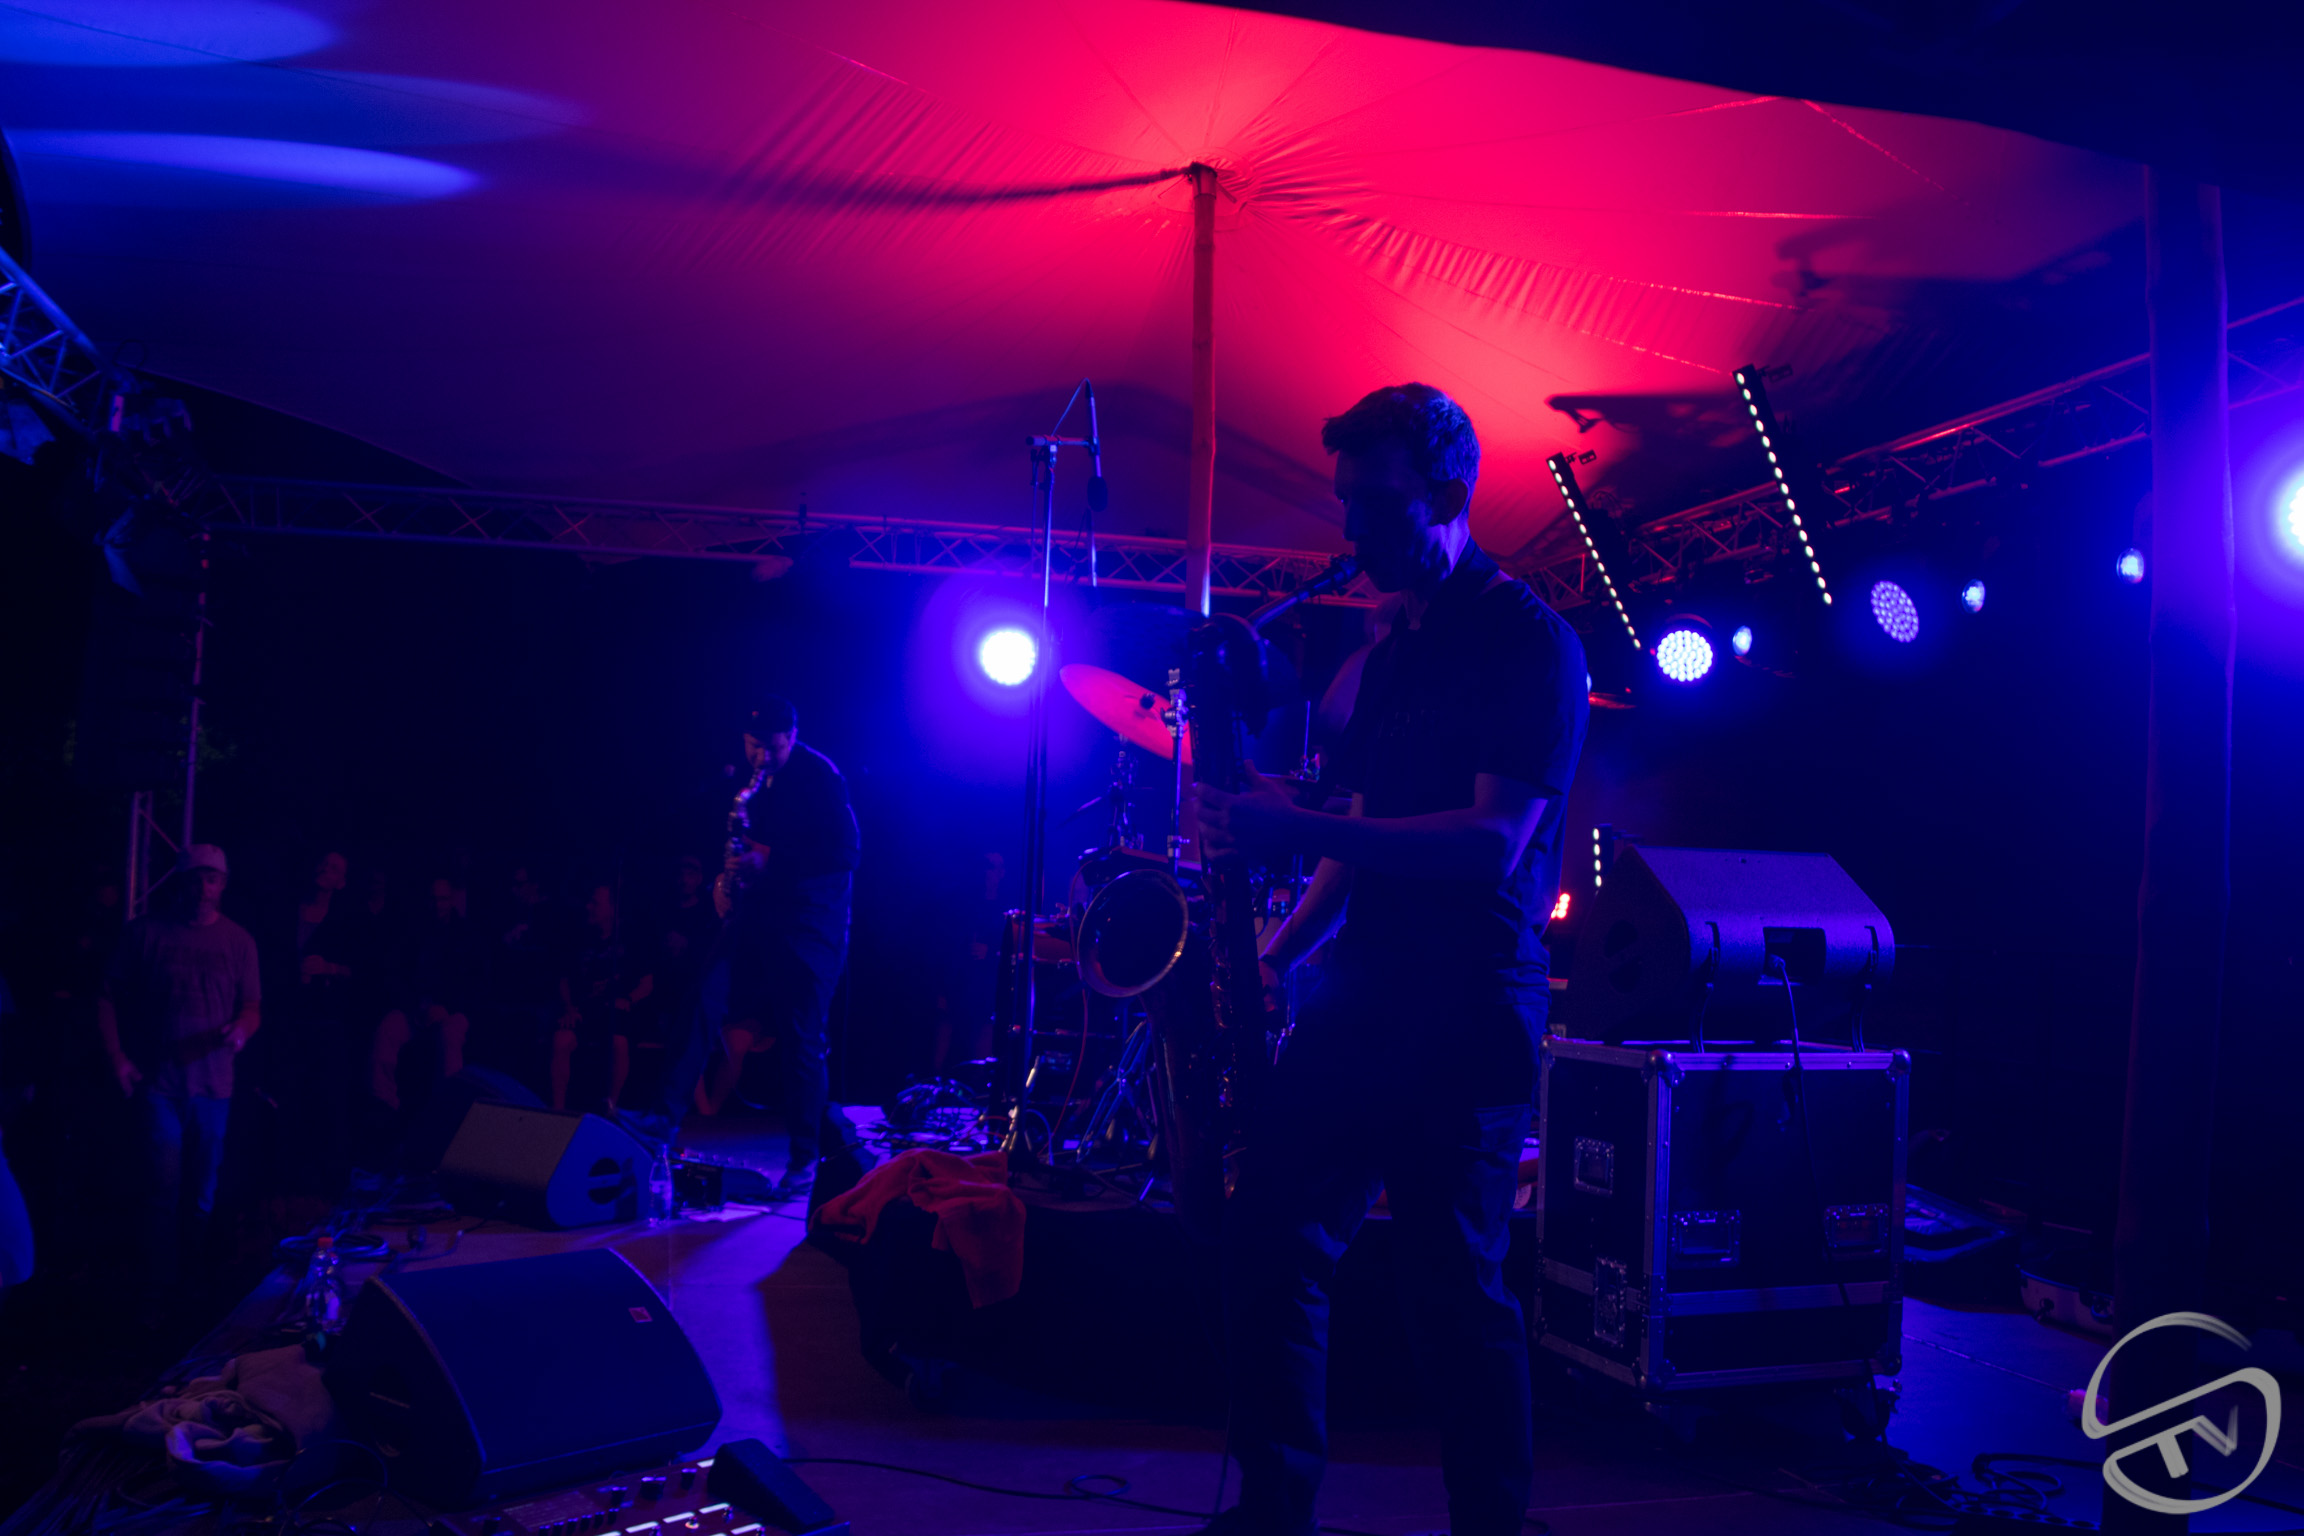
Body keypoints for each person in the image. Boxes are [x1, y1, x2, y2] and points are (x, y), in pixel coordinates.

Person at [1191, 385, 1589, 1536]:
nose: (1353, 528)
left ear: (1450, 495)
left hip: (1467, 1007)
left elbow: (1489, 843)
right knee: (1268, 1237)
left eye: (1377, 502)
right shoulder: (1392, 645)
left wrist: (1293, 826)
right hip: (1362, 994)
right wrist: (1277, 954)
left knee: (1453, 1292)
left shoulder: (1528, 642)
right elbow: (1359, 834)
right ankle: (1273, 1511)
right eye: (1346, 501)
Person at [696, 698, 859, 1197]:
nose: (760, 756)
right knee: (700, 997)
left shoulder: (820, 777)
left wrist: (770, 859)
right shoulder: (754, 785)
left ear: (792, 736)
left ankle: (806, 1159)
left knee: (801, 1039)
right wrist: (726, 879)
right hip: (765, 916)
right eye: (752, 746)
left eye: (771, 747)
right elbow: (745, 844)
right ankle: (660, 1122)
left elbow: (846, 852)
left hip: (813, 925)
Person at [96, 845, 263, 1306]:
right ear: (181, 882)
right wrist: (117, 1057)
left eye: (212, 879)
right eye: (196, 879)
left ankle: (194, 1282)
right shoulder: (145, 933)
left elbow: (252, 1006)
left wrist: (242, 1030)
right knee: (162, 1191)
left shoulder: (238, 941)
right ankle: (160, 1288)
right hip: (160, 1085)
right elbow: (106, 996)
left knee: (203, 1195)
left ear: (223, 885)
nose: (204, 888)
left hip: (214, 1086)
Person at [373, 875, 483, 1109]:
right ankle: (383, 1104)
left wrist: (447, 1007)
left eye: (443, 899)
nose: (438, 905)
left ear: (451, 899)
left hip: (452, 1010)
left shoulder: (467, 936)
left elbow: (475, 982)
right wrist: (418, 1006)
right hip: (415, 1008)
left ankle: (447, 1107)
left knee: (451, 1034)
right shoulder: (412, 933)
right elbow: (395, 974)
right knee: (388, 1029)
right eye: (433, 899)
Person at [552, 883, 652, 1111]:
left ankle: (611, 1108)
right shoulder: (579, 937)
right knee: (561, 1040)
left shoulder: (632, 939)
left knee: (618, 1042)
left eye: (595, 903)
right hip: (585, 1010)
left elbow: (647, 983)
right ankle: (557, 1110)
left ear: (613, 908)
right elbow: (564, 979)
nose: (589, 907)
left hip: (617, 1012)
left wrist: (629, 1000)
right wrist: (568, 1007)